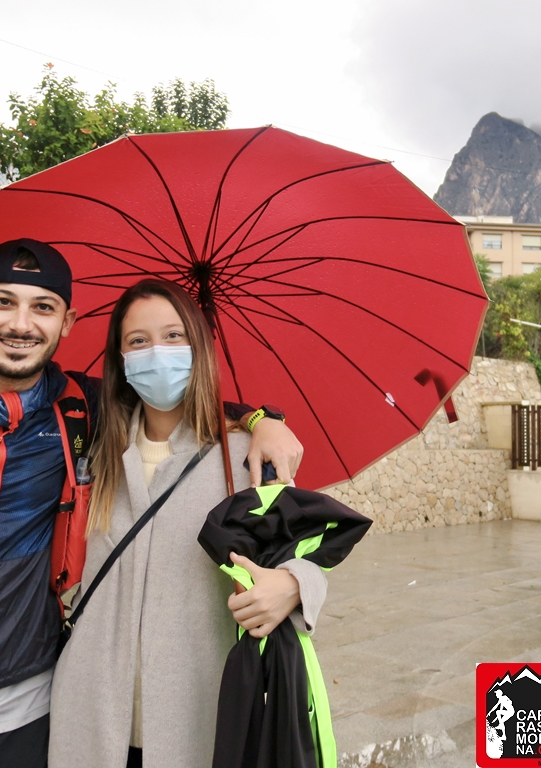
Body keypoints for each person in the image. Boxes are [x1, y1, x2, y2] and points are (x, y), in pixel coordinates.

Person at [0, 240, 303, 768]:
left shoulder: (78, 409)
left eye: (42, 307)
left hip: (25, 716)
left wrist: (262, 419)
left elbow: (179, 403)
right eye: (3, 302)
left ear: (66, 322)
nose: (21, 324)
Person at [48, 279, 328, 768]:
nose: (157, 353)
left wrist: (292, 585)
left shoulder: (245, 457)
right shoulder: (92, 450)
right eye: (138, 341)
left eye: (174, 336)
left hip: (197, 719)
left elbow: (308, 559)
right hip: (89, 716)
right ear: (120, 358)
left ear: (199, 346)